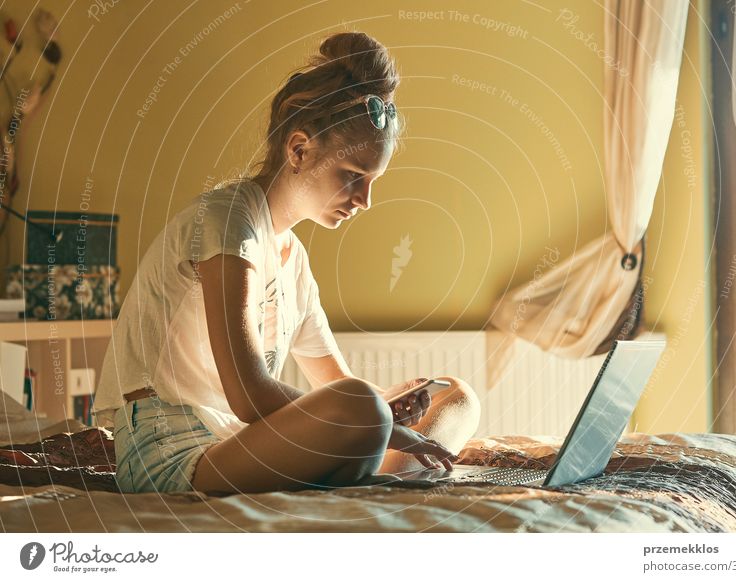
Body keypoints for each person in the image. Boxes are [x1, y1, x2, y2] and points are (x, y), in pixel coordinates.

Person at [93, 31, 481, 496]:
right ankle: (390, 469)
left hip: (242, 443)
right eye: (353, 177)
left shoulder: (292, 257)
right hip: (176, 453)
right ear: (299, 150)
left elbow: (337, 384)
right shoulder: (226, 220)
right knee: (363, 411)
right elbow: (249, 394)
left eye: (372, 180)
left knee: (457, 397)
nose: (365, 200)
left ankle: (389, 473)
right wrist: (377, 421)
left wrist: (398, 403)